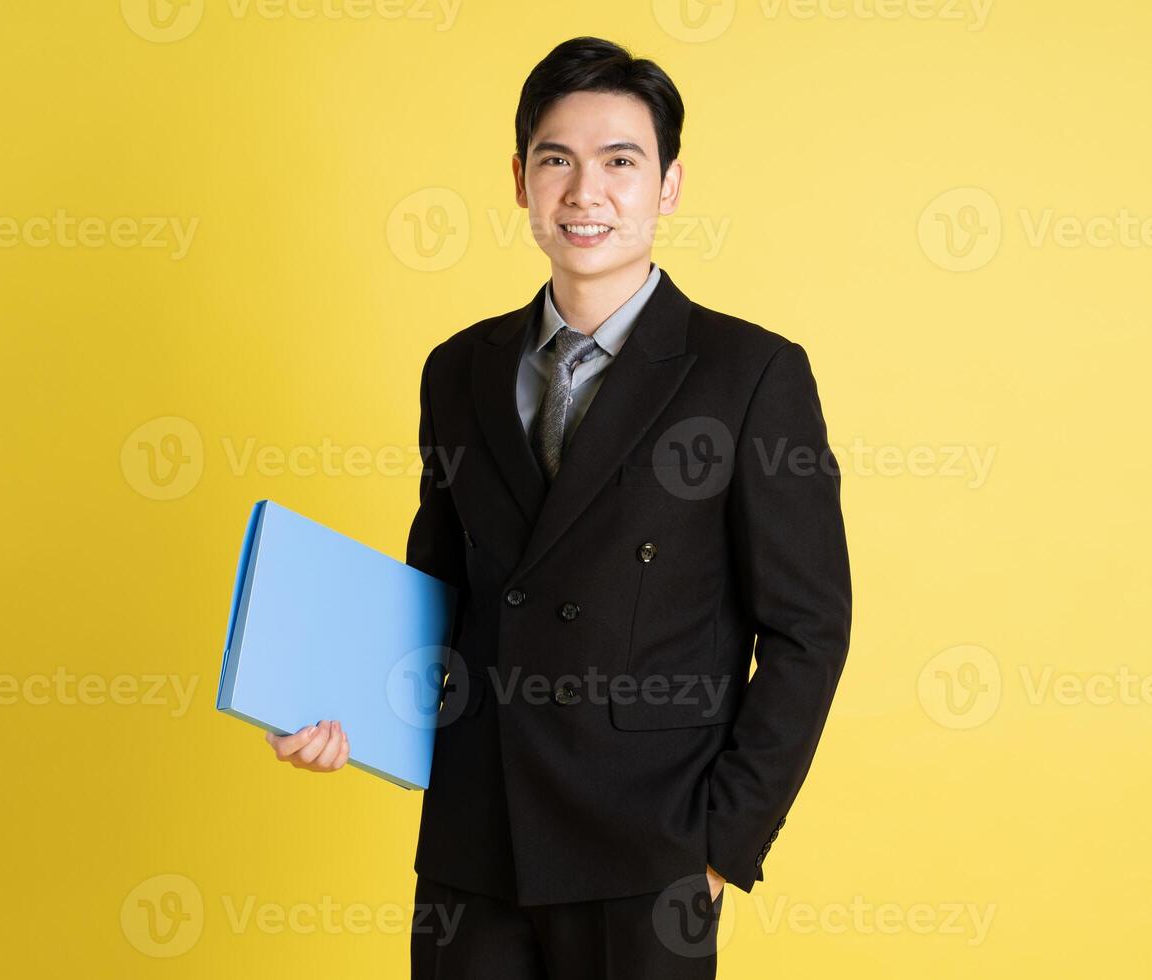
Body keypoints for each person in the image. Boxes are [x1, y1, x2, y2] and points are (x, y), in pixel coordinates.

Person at [264, 36, 853, 979]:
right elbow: (436, 595)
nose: (586, 192)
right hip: (475, 845)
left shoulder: (750, 374)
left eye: (621, 162)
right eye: (557, 160)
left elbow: (808, 629)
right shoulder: (459, 368)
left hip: (647, 853)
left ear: (667, 186)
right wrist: (340, 710)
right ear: (520, 180)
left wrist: (719, 847)